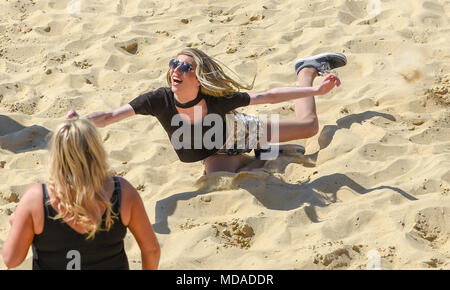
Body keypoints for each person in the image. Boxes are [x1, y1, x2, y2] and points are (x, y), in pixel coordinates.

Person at [65, 48, 345, 174]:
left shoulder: (217, 99)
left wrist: (316, 91)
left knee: (309, 127)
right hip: (215, 153)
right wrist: (81, 122)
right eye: (174, 63)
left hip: (243, 133)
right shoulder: (157, 100)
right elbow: (109, 117)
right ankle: (271, 153)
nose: (176, 69)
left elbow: (268, 96)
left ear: (198, 78)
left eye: (185, 67)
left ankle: (306, 70)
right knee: (222, 181)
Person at [2, 118, 160, 270]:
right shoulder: (122, 191)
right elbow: (151, 249)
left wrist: (15, 222)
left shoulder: (37, 198)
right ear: (96, 152)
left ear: (56, 155)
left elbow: (11, 260)